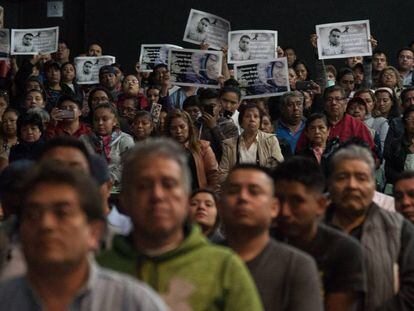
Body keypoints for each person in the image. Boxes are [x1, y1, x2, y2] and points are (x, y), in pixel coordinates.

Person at [97, 138, 263, 310]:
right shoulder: (100, 270)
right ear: (124, 200)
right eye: (144, 186)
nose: (157, 195)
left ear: (186, 197)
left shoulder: (225, 267)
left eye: (169, 184)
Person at [0, 162, 167, 310]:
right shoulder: (5, 300)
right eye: (33, 214)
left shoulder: (132, 302)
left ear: (94, 233)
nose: (46, 224)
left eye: (62, 213)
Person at [220, 164, 323, 311]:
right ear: (220, 205)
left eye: (254, 192)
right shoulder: (203, 261)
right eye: (233, 191)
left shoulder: (297, 266)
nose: (243, 197)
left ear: (274, 207)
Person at [324, 144, 414, 310]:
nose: (352, 185)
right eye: (343, 177)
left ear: (374, 185)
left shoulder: (400, 229)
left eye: (361, 178)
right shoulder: (312, 227)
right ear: (330, 184)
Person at [272, 157, 366, 311]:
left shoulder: (345, 251)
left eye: (297, 201)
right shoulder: (261, 241)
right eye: (279, 201)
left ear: (321, 205)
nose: (285, 212)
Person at [296, 86, 376, 157]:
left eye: (338, 99)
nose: (333, 103)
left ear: (345, 103)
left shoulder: (356, 125)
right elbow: (300, 150)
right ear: (324, 104)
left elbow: (370, 153)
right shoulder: (315, 123)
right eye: (329, 100)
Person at [219, 103, 284, 183]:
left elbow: (278, 167)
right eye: (247, 116)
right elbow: (223, 173)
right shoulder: (229, 144)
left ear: (259, 122)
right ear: (241, 122)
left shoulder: (270, 140)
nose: (252, 119)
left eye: (256, 116)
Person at [80, 103, 134, 185]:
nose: (100, 123)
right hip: (88, 185)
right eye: (96, 119)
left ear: (114, 121)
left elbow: (127, 165)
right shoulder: (84, 139)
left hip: (117, 186)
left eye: (105, 119)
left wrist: (108, 180)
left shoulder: (125, 139)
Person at [165, 109, 219, 191]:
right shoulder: (164, 151)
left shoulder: (203, 147)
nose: (178, 131)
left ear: (189, 127)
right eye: (173, 128)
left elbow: (213, 176)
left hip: (198, 196)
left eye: (182, 127)